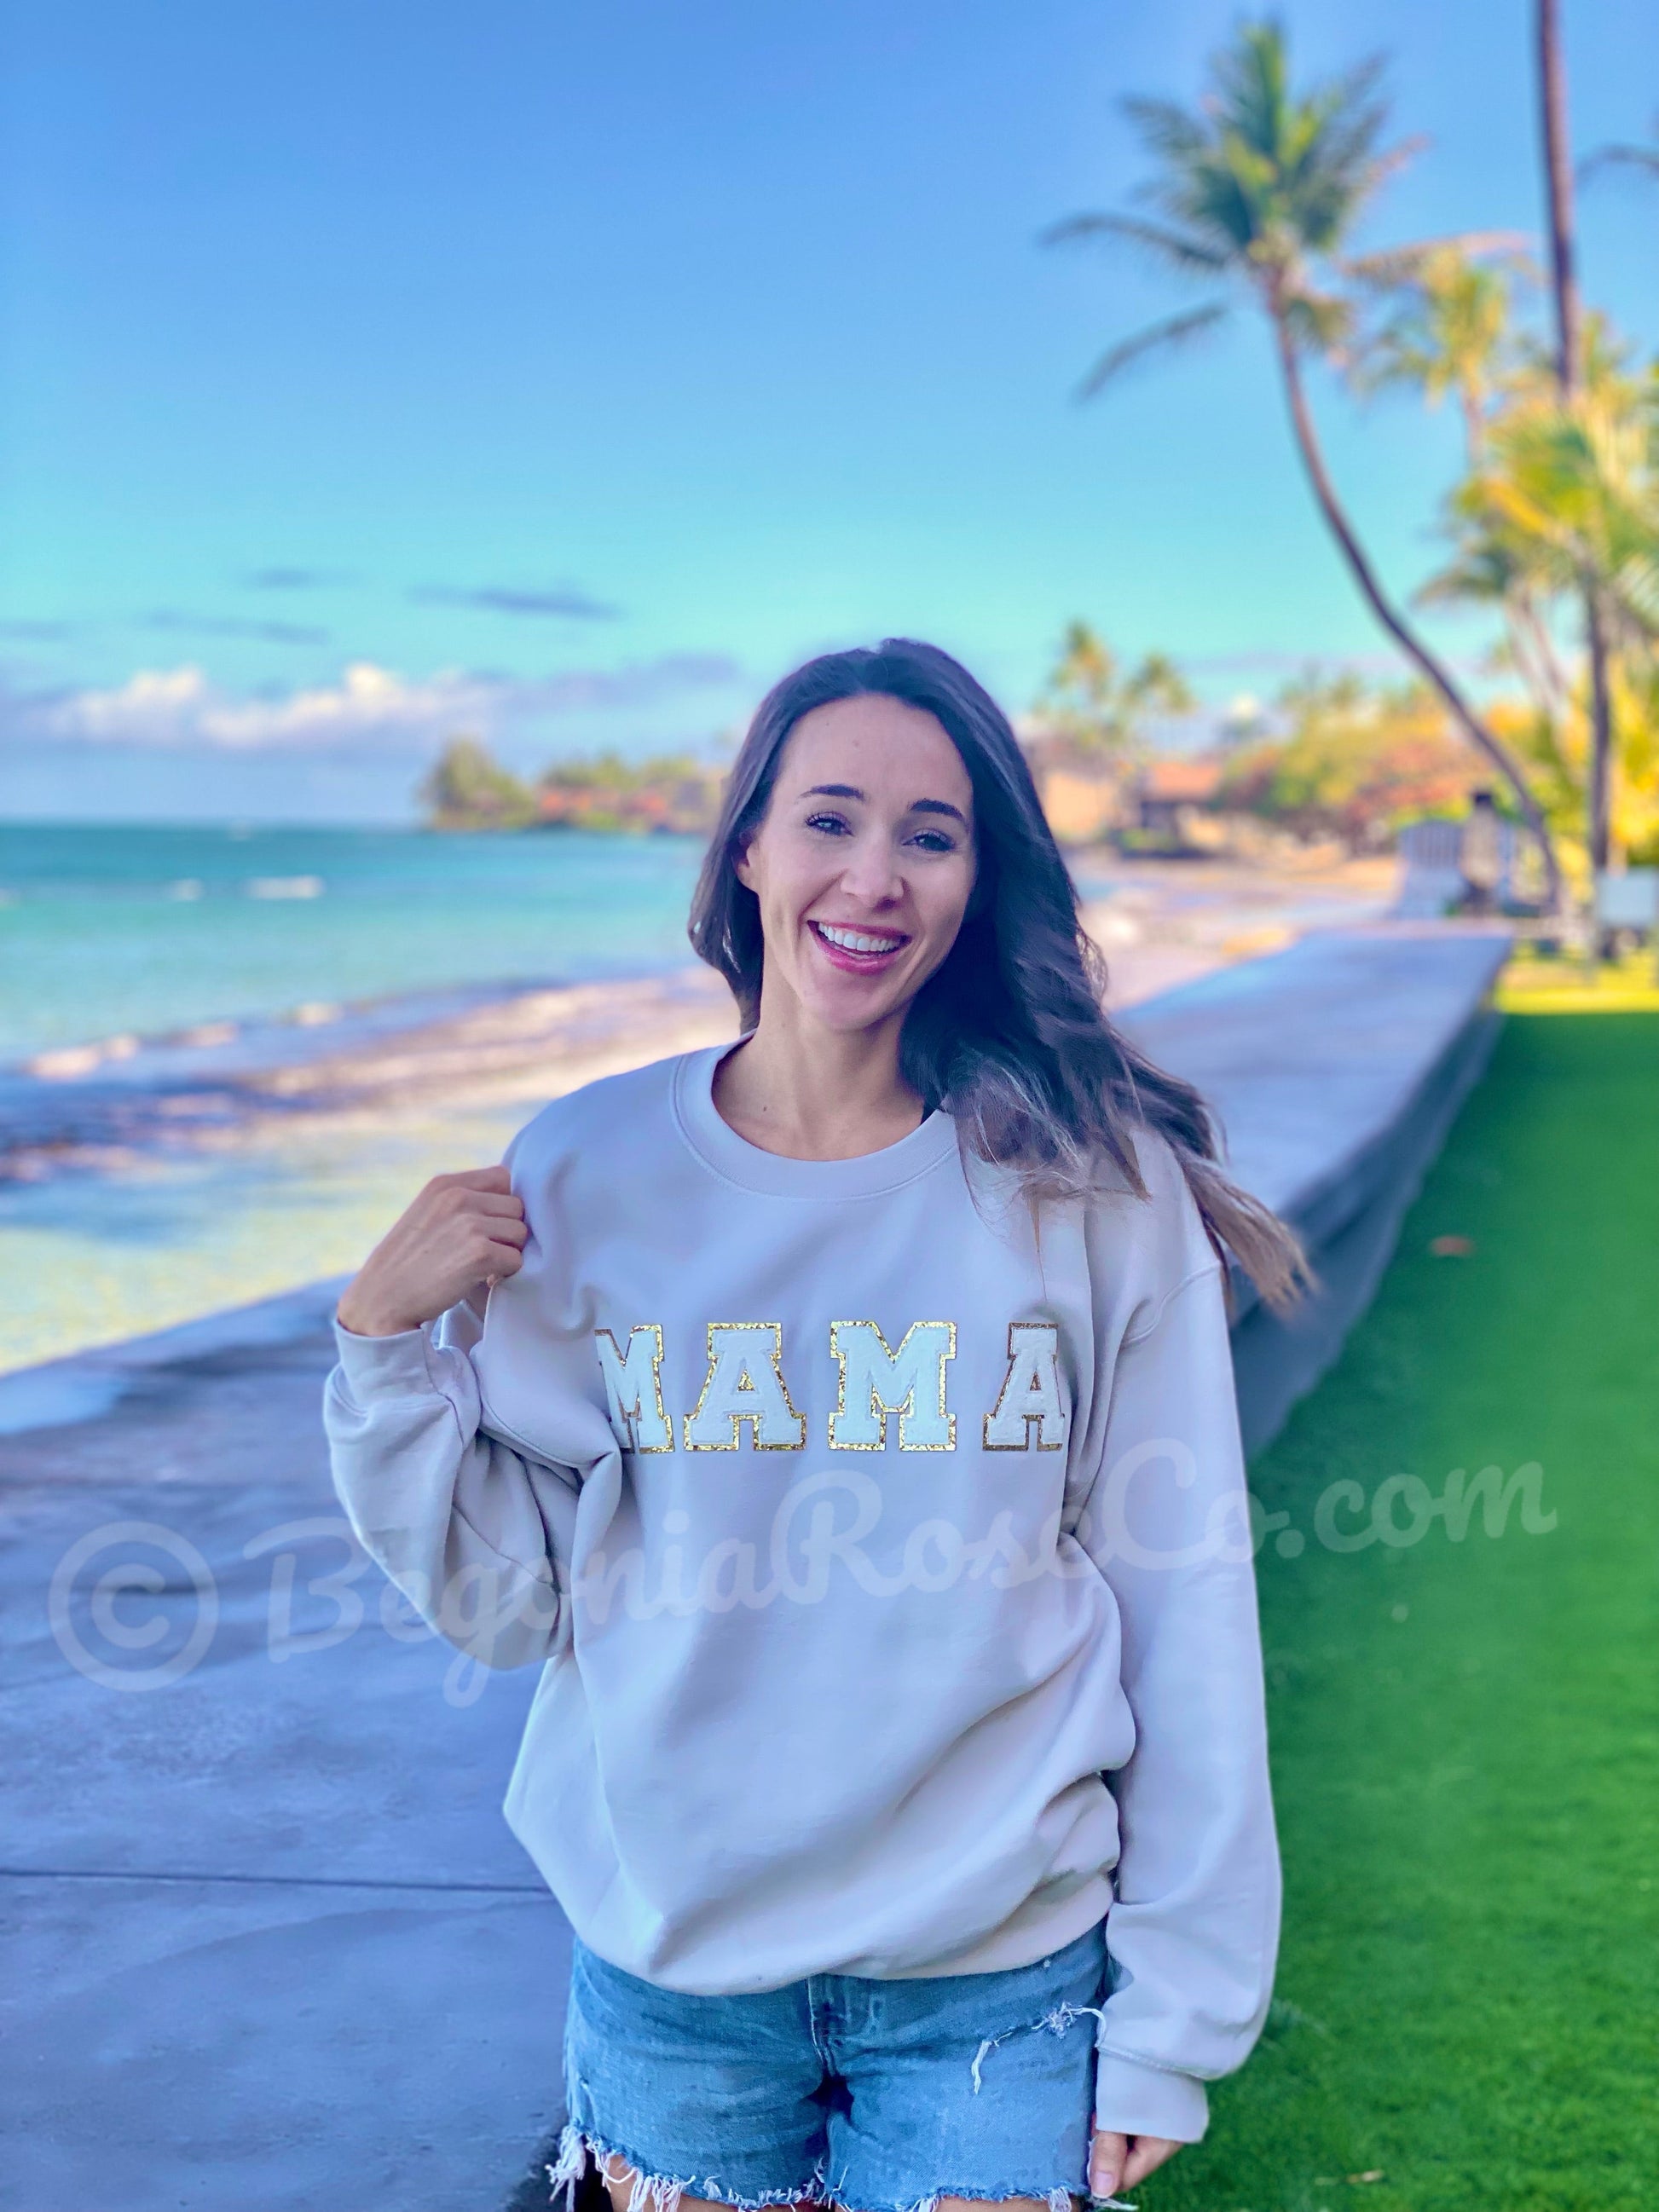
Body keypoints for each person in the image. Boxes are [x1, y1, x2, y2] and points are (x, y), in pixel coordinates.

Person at [325, 639, 1300, 2212]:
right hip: (676, 1987)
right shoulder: (583, 1172)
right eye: (829, 820)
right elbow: (510, 1610)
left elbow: (1182, 1606)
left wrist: (1175, 2020)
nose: (874, 878)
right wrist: (382, 1352)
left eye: (932, 835)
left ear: (980, 882)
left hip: (997, 1981)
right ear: (747, 852)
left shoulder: (1089, 1188)